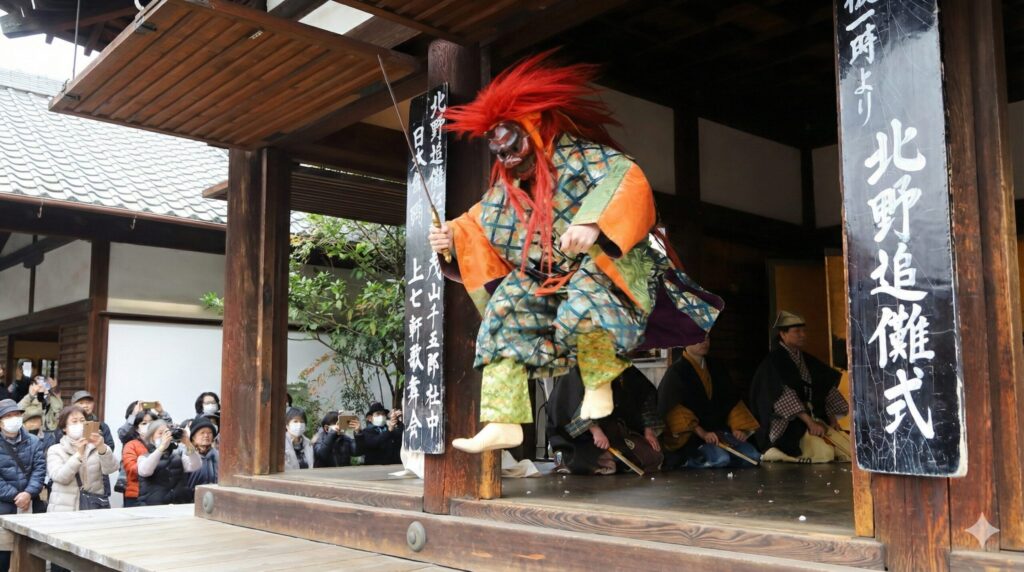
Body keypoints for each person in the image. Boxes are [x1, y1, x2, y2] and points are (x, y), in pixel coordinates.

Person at [433, 52, 722, 453]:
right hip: (545, 278)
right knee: (503, 314)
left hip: (601, 266)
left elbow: (625, 177)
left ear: (533, 127)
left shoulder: (582, 157)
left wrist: (593, 222)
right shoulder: (508, 187)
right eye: (497, 151)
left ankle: (600, 383)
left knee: (587, 299)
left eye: (511, 143)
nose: (506, 157)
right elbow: (477, 223)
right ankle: (503, 420)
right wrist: (451, 239)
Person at [750, 311, 851, 463]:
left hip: (814, 419)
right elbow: (784, 396)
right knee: (825, 454)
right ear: (783, 334)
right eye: (797, 331)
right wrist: (809, 423)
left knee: (848, 450)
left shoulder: (806, 359)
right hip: (788, 424)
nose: (802, 335)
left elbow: (824, 387)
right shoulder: (774, 362)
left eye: (803, 331)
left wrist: (832, 420)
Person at [658, 337, 761, 469]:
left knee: (753, 456)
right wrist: (702, 433)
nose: (704, 342)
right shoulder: (676, 372)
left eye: (707, 338)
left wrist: (737, 427)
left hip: (719, 432)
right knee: (721, 459)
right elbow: (675, 410)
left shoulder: (716, 367)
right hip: (692, 437)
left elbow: (730, 399)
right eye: (698, 339)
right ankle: (687, 461)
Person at [547, 366, 663, 475]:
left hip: (613, 430)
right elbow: (571, 403)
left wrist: (649, 429)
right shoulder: (579, 371)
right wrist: (596, 431)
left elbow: (646, 394)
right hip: (581, 437)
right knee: (598, 461)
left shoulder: (625, 367)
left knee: (653, 456)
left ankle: (617, 459)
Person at [0, 399, 46, 570]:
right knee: (2, 554)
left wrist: (28, 493)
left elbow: (39, 470)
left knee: (31, 552)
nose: (14, 419)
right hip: (4, 506)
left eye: (16, 415)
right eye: (8, 416)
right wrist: (15, 495)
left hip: (30, 505)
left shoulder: (33, 441)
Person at [45, 405, 117, 512]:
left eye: (82, 420)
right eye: (74, 421)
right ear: (64, 428)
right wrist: (79, 454)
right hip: (64, 509)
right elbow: (60, 477)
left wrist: (102, 447)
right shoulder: (55, 450)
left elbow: (111, 469)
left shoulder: (94, 447)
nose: (79, 424)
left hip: (92, 507)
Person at [136, 420, 191, 505]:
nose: (164, 437)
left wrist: (187, 442)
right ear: (151, 438)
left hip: (177, 506)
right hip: (152, 508)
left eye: (167, 433)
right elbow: (145, 471)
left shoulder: (178, 455)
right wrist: (162, 447)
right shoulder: (144, 457)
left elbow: (194, 465)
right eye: (160, 433)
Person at [120, 411, 156, 508]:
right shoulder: (131, 445)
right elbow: (131, 469)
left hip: (158, 496)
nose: (148, 426)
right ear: (137, 428)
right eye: (144, 423)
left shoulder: (162, 444)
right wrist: (150, 464)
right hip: (136, 496)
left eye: (152, 422)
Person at [181, 415, 218, 493]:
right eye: (202, 433)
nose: (206, 436)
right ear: (193, 437)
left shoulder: (217, 455)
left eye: (210, 433)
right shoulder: (185, 454)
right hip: (191, 499)